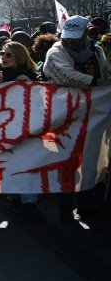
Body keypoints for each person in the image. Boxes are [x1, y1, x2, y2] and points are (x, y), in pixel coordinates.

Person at [43, 15, 111, 223]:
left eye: (76, 37)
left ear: (85, 34)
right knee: (67, 159)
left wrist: (105, 83)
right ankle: (66, 205)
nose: (72, 41)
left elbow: (106, 73)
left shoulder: (96, 52)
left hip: (94, 114)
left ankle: (87, 202)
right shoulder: (56, 51)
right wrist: (96, 82)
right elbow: (64, 75)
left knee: (91, 158)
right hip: (66, 114)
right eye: (69, 37)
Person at [0, 41, 44, 221]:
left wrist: (32, 83)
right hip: (2, 125)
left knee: (28, 161)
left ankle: (29, 201)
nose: (3, 57)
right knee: (7, 161)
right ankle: (14, 196)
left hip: (26, 124)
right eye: (2, 53)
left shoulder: (30, 74)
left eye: (8, 54)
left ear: (19, 56)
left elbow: (44, 98)